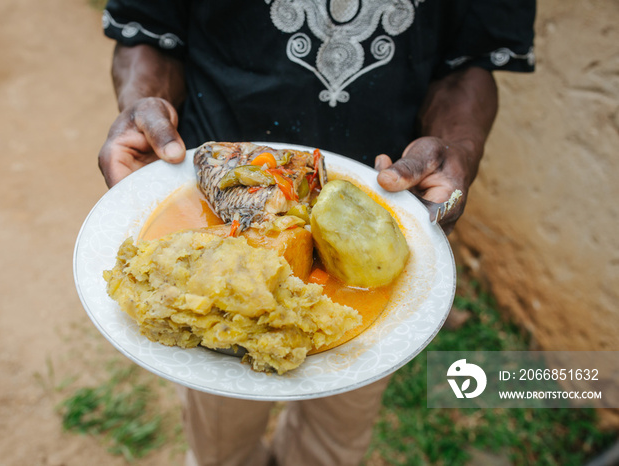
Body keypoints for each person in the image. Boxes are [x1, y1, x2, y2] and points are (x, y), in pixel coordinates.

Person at [97, 2, 535, 465]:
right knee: (220, 442)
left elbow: (470, 61)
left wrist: (459, 145)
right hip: (213, 204)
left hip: (377, 208)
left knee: (335, 440)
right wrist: (140, 103)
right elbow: (146, 28)